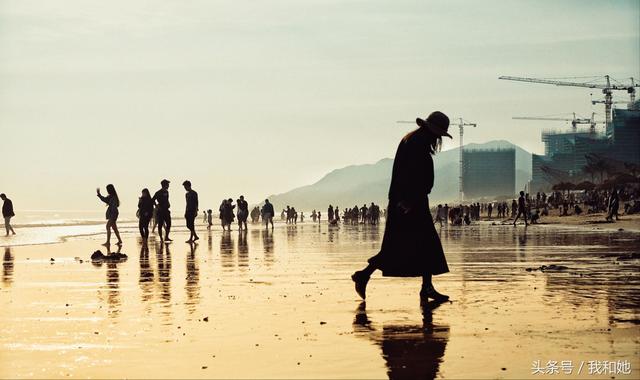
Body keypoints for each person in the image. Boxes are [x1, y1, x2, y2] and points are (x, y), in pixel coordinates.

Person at [351, 111, 451, 303]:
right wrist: (409, 201)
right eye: (438, 134)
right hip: (408, 203)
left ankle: (426, 287)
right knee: (401, 247)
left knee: (422, 246)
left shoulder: (414, 141)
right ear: (431, 130)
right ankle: (363, 275)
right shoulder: (416, 144)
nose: (438, 138)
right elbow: (410, 176)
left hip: (410, 201)